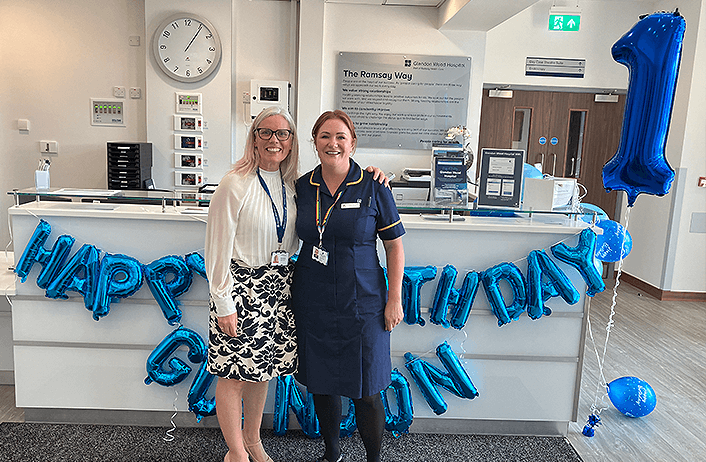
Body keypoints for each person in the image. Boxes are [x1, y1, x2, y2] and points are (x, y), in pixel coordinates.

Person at [205, 107, 389, 462]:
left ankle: (253, 443)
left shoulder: (295, 185)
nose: (274, 140)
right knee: (232, 372)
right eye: (266, 132)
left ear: (291, 141)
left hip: (280, 288)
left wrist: (371, 172)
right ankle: (236, 453)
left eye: (282, 133)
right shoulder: (234, 183)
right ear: (254, 137)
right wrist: (222, 301)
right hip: (240, 287)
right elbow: (216, 248)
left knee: (261, 372)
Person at [291, 110, 405, 462]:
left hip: (364, 302)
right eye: (325, 136)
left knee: (367, 390)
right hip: (314, 299)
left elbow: (394, 245)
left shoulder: (374, 186)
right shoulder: (301, 187)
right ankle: (332, 453)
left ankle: (373, 458)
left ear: (352, 143)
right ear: (315, 143)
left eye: (340, 136)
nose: (333, 143)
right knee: (322, 385)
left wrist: (394, 299)